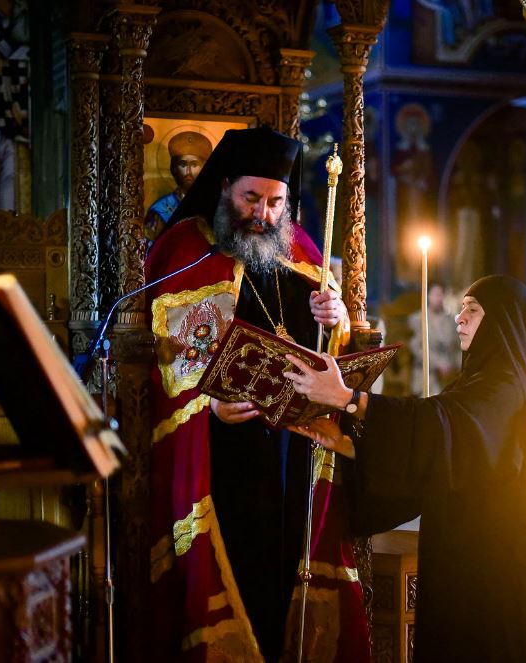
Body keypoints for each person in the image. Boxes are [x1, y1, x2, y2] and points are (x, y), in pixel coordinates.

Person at [143, 127, 370, 662]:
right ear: (225, 188)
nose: (264, 215)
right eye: (252, 198)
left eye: (275, 202)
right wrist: (210, 404)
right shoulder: (184, 248)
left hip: (292, 451)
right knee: (236, 568)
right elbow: (169, 364)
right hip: (219, 453)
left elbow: (324, 347)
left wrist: (333, 317)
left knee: (286, 564)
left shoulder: (297, 249)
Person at [284, 275, 526, 662]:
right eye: (462, 307)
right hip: (468, 564)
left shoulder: (506, 387)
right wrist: (345, 444)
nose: (459, 318)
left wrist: (349, 399)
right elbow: (442, 459)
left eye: (473, 309)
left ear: (503, 321)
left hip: (496, 575)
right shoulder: (484, 383)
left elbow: (439, 427)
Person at [144, 130, 214, 244]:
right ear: (174, 169)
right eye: (183, 164)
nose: (188, 172)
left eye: (194, 165)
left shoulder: (214, 206)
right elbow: (150, 251)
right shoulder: (159, 210)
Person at [407, 283, 460, 395]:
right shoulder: (417, 319)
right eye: (435, 294)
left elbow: (457, 347)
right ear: (428, 296)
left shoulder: (451, 320)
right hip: (425, 372)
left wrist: (456, 366)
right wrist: (437, 363)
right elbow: (416, 347)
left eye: (441, 294)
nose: (438, 298)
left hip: (449, 373)